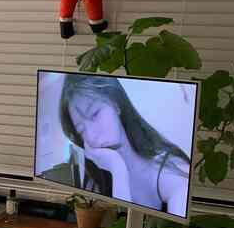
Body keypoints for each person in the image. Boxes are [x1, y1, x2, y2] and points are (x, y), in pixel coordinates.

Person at [58, 74, 191, 216]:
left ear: (116, 104)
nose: (90, 135)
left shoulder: (173, 173)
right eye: (81, 129)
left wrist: (118, 170)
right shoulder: (98, 176)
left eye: (95, 114)